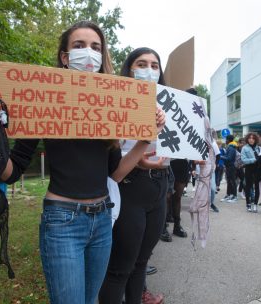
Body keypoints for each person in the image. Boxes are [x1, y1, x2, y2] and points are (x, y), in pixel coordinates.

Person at [0, 22, 165, 304]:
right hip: (63, 222)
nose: (88, 53)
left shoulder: (110, 108)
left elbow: (114, 173)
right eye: (79, 46)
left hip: (103, 219)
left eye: (96, 48)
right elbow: (11, 171)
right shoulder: (42, 104)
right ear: (65, 57)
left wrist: (144, 139)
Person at [98, 47, 167, 304]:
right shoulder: (115, 101)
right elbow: (114, 167)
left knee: (141, 263)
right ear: (130, 68)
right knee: (120, 268)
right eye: (142, 63)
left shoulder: (169, 105)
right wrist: (140, 161)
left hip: (159, 188)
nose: (149, 70)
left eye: (154, 65)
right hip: (129, 188)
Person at [241, 132, 261, 212]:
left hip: (257, 169)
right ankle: (248, 204)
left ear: (255, 139)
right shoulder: (244, 148)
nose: (251, 140)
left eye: (253, 138)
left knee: (257, 187)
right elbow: (243, 160)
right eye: (249, 138)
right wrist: (254, 160)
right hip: (249, 169)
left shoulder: (259, 148)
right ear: (247, 139)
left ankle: (255, 204)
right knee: (248, 187)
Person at [220, 135, 237, 203]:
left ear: (229, 140)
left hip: (231, 167)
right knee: (229, 181)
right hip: (229, 167)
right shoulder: (230, 147)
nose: (225, 141)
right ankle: (229, 195)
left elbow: (229, 158)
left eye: (226, 139)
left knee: (232, 181)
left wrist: (220, 156)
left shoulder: (231, 148)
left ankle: (234, 196)